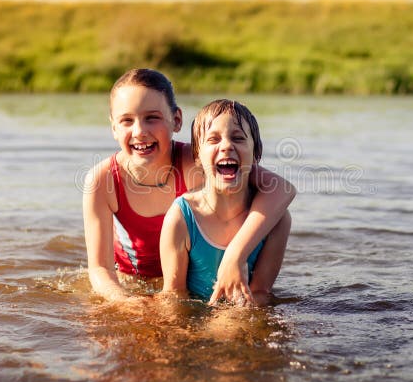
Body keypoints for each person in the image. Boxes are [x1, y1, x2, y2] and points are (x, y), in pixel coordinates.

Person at [83, 69, 294, 303]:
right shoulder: (103, 180)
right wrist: (125, 301)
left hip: (192, 282)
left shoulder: (197, 161)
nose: (140, 131)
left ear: (176, 120)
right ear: (114, 128)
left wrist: (234, 256)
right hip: (138, 282)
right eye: (127, 121)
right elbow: (100, 268)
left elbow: (281, 190)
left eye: (152, 118)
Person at [160, 99, 291, 306]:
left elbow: (260, 293)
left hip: (243, 310)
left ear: (256, 154)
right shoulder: (182, 217)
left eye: (238, 138)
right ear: (197, 156)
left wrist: (229, 322)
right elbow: (174, 296)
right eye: (213, 140)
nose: (227, 146)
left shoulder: (276, 219)